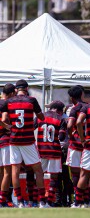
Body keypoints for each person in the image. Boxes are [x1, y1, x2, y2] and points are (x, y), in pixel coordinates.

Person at [0, 79, 47, 208]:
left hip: (14, 140)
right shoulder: (31, 100)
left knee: (14, 171)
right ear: (26, 88)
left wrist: (6, 125)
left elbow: (3, 118)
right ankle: (42, 201)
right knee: (38, 170)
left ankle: (20, 202)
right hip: (28, 140)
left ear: (16, 89)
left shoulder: (9, 101)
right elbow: (42, 118)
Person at [34, 100, 67, 207]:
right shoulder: (60, 119)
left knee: (40, 174)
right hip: (54, 151)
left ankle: (41, 201)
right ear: (59, 110)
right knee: (54, 176)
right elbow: (61, 137)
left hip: (41, 150)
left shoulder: (40, 116)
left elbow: (31, 127)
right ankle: (49, 201)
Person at [66, 86, 87, 204]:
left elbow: (69, 126)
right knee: (87, 173)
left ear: (72, 98)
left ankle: (77, 199)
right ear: (82, 95)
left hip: (75, 144)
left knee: (75, 173)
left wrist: (71, 135)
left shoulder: (75, 109)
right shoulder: (88, 107)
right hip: (87, 144)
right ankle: (86, 199)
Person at [0, 83, 16, 207]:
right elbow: (5, 118)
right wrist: (7, 126)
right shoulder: (6, 103)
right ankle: (2, 200)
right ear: (11, 94)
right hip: (4, 140)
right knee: (7, 172)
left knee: (1, 172)